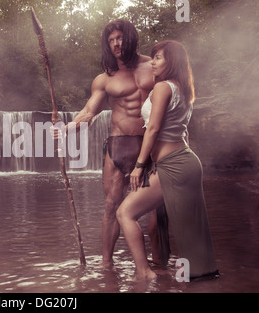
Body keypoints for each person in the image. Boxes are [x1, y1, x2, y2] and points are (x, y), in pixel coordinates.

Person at [53, 19, 167, 269]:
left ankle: (159, 266)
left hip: (153, 145)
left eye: (120, 37)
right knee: (111, 206)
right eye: (111, 40)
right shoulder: (105, 79)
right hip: (118, 146)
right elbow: (88, 112)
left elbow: (172, 98)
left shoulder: (155, 66)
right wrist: (68, 128)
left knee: (157, 212)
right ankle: (106, 266)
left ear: (131, 38)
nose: (116, 43)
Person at [116, 40, 219, 280]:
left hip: (174, 164)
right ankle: (201, 279)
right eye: (153, 57)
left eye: (159, 57)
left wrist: (139, 166)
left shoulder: (162, 88)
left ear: (172, 61)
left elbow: (152, 129)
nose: (153, 62)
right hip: (185, 162)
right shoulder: (184, 89)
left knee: (125, 213)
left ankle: (145, 274)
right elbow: (184, 131)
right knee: (191, 229)